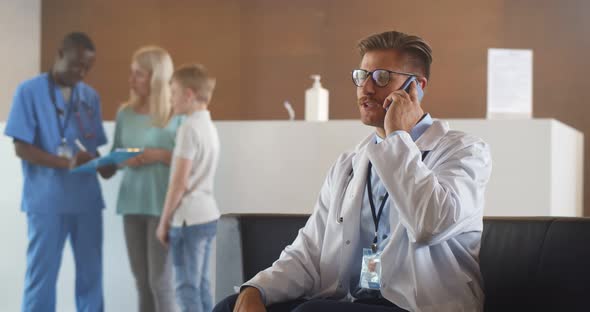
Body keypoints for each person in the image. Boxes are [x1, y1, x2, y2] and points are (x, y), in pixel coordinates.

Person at [214, 30, 492, 312]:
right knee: (231, 306)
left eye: (381, 77)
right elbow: (310, 250)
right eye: (361, 76)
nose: (366, 88)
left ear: (416, 87)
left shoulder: (464, 150)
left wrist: (398, 136)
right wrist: (257, 288)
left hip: (420, 305)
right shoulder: (350, 163)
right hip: (357, 302)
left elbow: (430, 225)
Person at [4, 32, 113, 312]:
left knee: (92, 277)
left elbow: (91, 145)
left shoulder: (90, 96)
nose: (82, 72)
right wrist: (66, 164)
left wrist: (106, 164)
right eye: (76, 64)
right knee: (42, 277)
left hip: (86, 201)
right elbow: (22, 148)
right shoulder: (28, 92)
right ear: (60, 54)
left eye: (88, 67)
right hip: (46, 201)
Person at [110, 46, 182, 312]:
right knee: (142, 282)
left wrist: (162, 155)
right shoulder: (124, 114)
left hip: (163, 208)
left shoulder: (177, 115)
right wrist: (122, 159)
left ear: (156, 77)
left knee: (160, 284)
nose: (131, 80)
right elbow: (114, 156)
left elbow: (192, 163)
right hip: (131, 205)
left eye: (138, 74)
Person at [156, 64, 220, 312]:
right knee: (202, 286)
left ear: (189, 94)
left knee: (185, 288)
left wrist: (163, 222)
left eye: (173, 92)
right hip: (208, 216)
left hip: (187, 220)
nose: (170, 99)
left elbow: (179, 182)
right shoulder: (209, 126)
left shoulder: (188, 128)